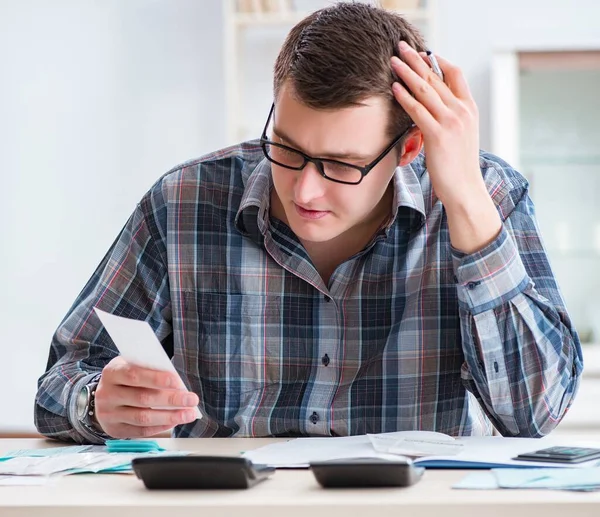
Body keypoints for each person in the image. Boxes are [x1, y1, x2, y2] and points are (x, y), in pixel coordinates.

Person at [35, 2, 583, 444]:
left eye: (342, 164)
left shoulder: (486, 195)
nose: (305, 190)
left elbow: (535, 414)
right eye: (288, 149)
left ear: (410, 146)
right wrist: (97, 404)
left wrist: (466, 203)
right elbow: (58, 384)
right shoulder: (183, 202)